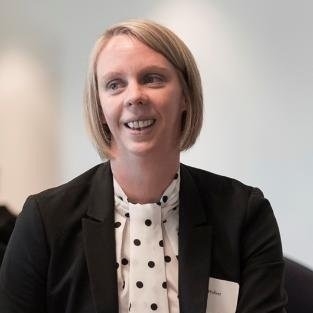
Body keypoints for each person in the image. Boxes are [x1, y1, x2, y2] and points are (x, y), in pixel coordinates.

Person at [0, 19, 287, 313]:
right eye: (115, 85)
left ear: (185, 96)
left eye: (152, 78)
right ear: (99, 108)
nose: (134, 96)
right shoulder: (45, 222)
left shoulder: (244, 215)